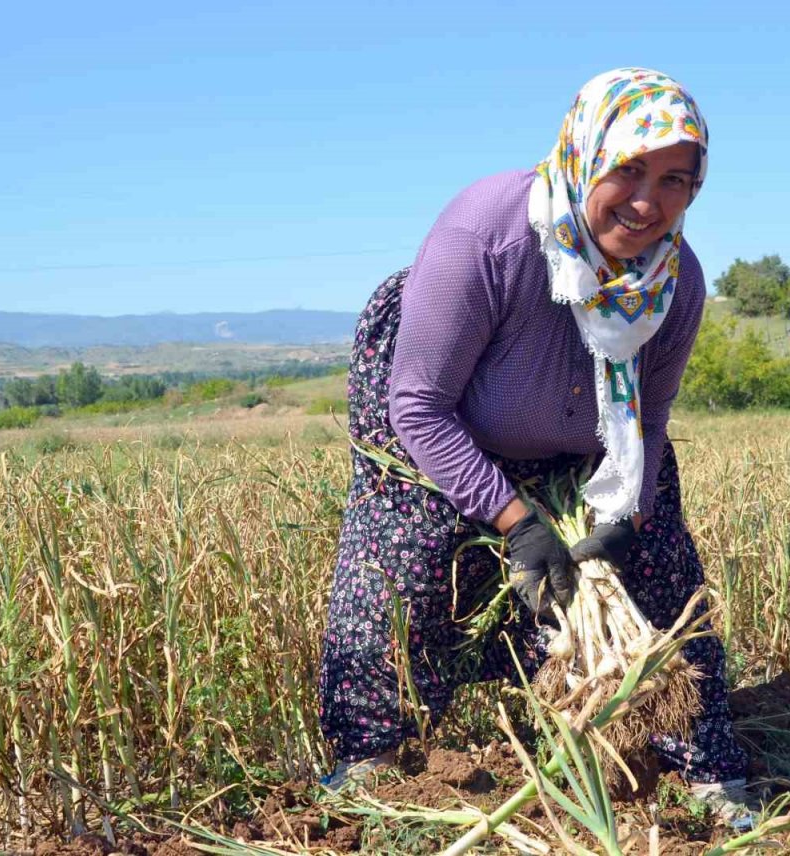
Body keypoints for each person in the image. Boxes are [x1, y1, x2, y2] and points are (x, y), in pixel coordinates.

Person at [318, 67, 754, 821]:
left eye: (675, 180)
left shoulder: (675, 281)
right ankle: (370, 764)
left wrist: (628, 513)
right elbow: (418, 404)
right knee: (407, 568)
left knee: (660, 572)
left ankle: (702, 768)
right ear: (585, 154)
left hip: (593, 436)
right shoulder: (488, 233)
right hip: (443, 418)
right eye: (628, 170)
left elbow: (650, 414)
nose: (647, 201)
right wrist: (517, 521)